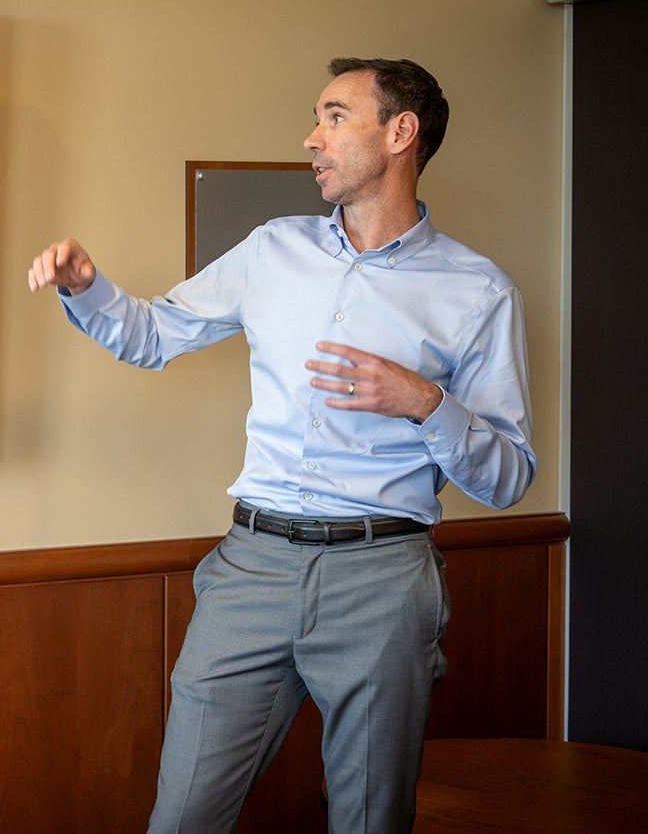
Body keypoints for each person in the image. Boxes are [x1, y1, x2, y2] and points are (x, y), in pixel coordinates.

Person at [27, 58, 535, 833]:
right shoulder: (272, 250)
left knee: (369, 819)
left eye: (335, 116)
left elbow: (509, 478)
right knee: (184, 816)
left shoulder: (479, 292)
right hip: (251, 569)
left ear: (400, 133)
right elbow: (154, 333)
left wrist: (427, 403)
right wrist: (87, 286)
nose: (312, 138)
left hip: (383, 580)